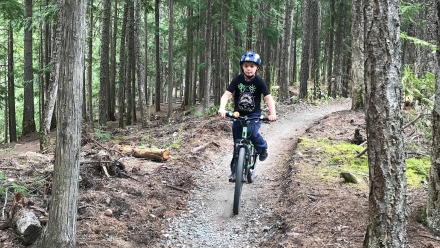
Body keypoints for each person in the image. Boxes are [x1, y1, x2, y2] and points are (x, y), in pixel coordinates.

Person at [218, 51, 277, 181]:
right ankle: (235, 173)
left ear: (257, 67)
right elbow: (226, 95)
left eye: (252, 66)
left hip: (253, 115)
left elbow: (268, 98)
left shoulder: (259, 81)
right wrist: (222, 108)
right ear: (242, 67)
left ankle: (262, 147)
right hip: (238, 115)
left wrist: (272, 114)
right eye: (246, 66)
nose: (249, 68)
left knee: (252, 132)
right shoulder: (237, 80)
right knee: (237, 143)